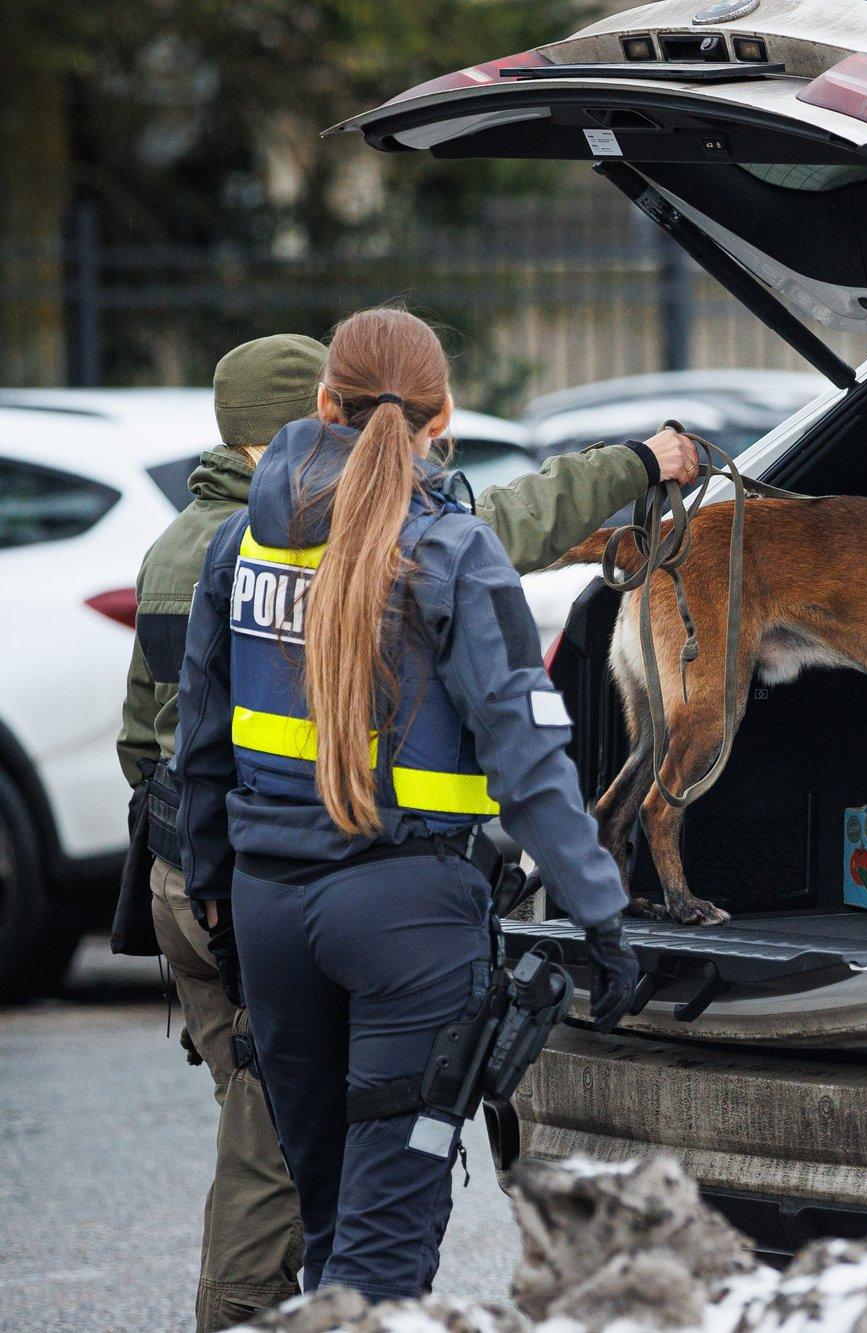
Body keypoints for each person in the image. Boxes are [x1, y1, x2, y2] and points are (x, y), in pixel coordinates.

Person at [115, 327, 693, 1326]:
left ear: (323, 406)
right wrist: (603, 915)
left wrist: (215, 894)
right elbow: (524, 758)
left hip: (267, 912)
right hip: (408, 922)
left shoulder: (237, 541)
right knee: (384, 1255)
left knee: (327, 1226)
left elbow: (198, 746)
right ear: (446, 418)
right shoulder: (454, 550)